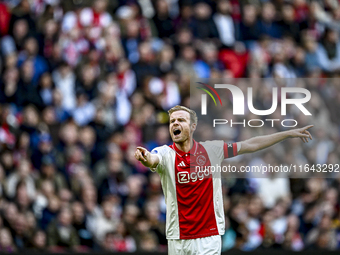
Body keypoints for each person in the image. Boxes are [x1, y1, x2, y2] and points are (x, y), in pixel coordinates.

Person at [135, 105, 313, 255]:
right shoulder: (166, 154)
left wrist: (286, 134)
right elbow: (153, 158)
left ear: (193, 126)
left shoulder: (212, 150)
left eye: (181, 120)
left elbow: (250, 144)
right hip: (178, 236)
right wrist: (145, 158)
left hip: (208, 235)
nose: (175, 123)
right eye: (172, 121)